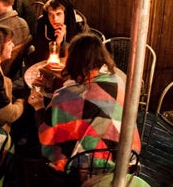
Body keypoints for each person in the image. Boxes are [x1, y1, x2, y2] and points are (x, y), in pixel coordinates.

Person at [29, 32, 139, 173]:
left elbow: (47, 134)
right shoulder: (118, 82)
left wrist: (38, 106)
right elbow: (91, 96)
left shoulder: (65, 96)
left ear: (73, 60)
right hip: (122, 164)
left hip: (82, 169)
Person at [28, 0, 88, 65]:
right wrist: (56, 45)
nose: (54, 19)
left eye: (58, 14)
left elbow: (82, 54)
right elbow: (39, 53)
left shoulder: (79, 25)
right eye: (51, 14)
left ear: (65, 14)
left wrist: (62, 43)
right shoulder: (42, 24)